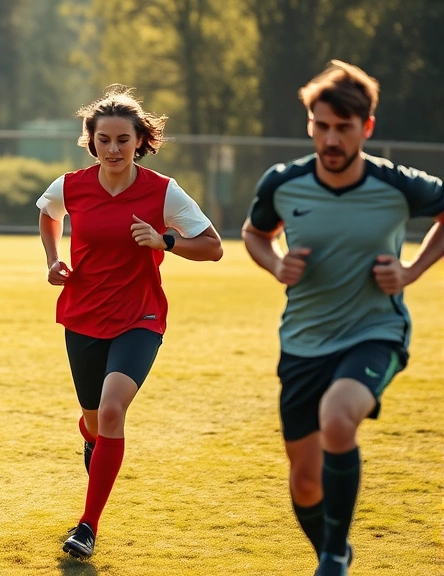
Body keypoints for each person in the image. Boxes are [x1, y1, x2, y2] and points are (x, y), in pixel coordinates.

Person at [241, 60, 444, 576]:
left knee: (337, 419)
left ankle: (332, 559)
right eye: (321, 126)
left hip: (375, 332)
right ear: (310, 123)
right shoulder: (283, 183)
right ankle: (332, 549)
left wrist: (413, 269)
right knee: (305, 481)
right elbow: (255, 234)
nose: (331, 139)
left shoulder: (397, 184)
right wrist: (276, 265)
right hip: (303, 342)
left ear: (366, 127)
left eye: (344, 128)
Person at [36, 85, 223, 559]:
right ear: (91, 140)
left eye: (123, 139)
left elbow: (213, 247)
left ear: (140, 140)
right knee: (95, 422)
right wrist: (53, 259)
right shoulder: (71, 186)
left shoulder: (163, 191)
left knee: (113, 411)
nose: (114, 149)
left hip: (140, 317)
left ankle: (87, 526)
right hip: (82, 315)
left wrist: (166, 241)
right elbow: (48, 215)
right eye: (104, 139)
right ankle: (91, 437)